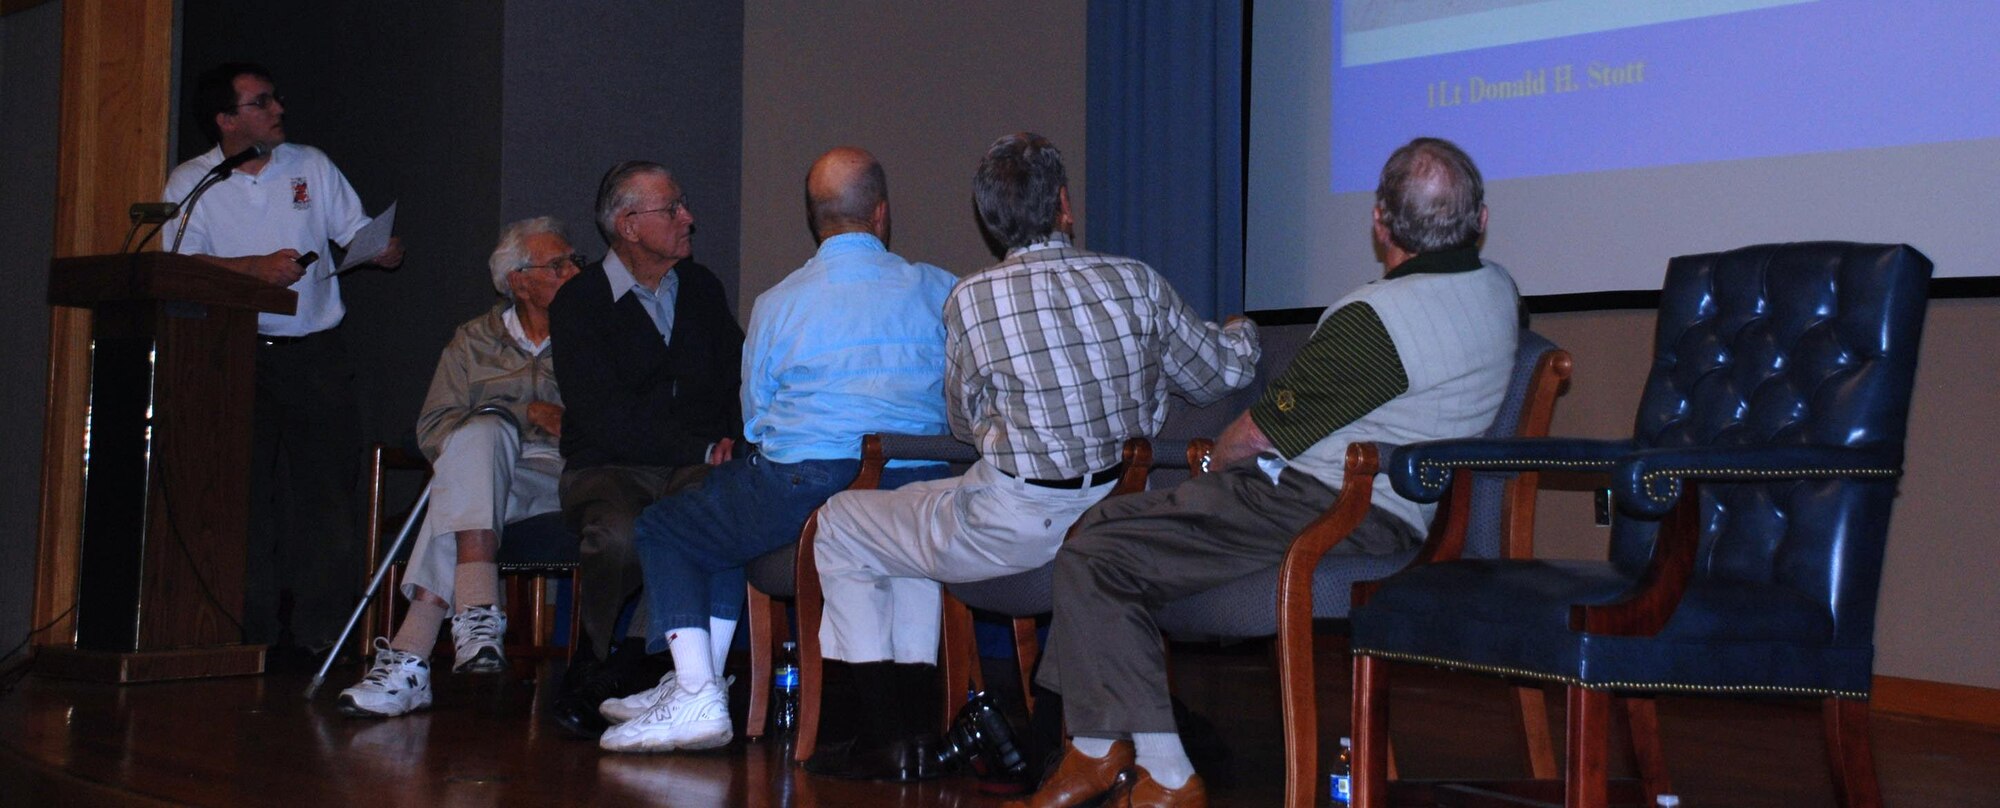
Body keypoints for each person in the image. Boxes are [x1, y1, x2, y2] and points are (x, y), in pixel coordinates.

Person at [1014, 137, 1522, 808]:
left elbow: (1256, 434)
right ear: (1481, 221)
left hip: (1334, 506)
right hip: (1383, 504)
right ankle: (1096, 743)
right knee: (1107, 531)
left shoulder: (1378, 322)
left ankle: (1156, 772)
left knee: (1096, 547)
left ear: (1380, 221)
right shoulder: (1499, 293)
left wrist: (1206, 464)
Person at [804, 133, 1261, 781]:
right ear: (1065, 205)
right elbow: (1219, 374)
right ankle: (920, 726)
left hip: (1015, 524)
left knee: (845, 522)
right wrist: (1242, 330)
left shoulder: (970, 299)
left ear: (989, 220)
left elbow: (963, 423)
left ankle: (891, 734)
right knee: (898, 525)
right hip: (1118, 515)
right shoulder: (1136, 283)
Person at [597, 146, 958, 753]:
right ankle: (700, 680)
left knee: (666, 528)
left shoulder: (779, 302)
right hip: (918, 488)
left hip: (810, 486)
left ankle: (694, 693)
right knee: (722, 513)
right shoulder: (940, 289)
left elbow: (759, 421)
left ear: (816, 220)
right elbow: (960, 398)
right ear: (881, 215)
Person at [164, 62, 406, 654]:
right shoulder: (190, 182)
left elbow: (356, 233)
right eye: (261, 102)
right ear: (225, 119)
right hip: (233, 356)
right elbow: (175, 263)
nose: (278, 109)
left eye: (274, 99)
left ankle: (322, 642)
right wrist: (251, 269)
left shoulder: (311, 165)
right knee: (243, 501)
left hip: (316, 357)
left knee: (326, 502)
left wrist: (382, 249)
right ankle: (248, 637)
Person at [338, 217, 580, 718]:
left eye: (572, 260)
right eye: (558, 264)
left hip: (560, 474)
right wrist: (520, 412)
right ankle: (474, 616)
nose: (574, 271)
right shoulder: (472, 341)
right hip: (484, 471)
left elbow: (615, 422)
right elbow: (434, 427)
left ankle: (412, 657)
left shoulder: (594, 336)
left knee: (454, 496)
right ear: (519, 280)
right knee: (482, 435)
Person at [546, 161, 744, 737]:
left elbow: (736, 373)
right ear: (629, 226)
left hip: (693, 463)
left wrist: (733, 443)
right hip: (610, 463)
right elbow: (602, 417)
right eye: (674, 208)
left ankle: (632, 664)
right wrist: (705, 446)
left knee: (695, 519)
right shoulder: (579, 303)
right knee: (622, 533)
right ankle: (597, 649)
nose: (690, 218)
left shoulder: (701, 287)